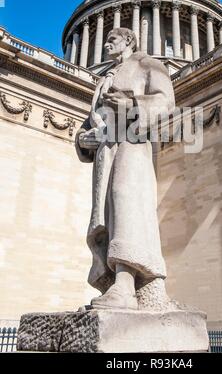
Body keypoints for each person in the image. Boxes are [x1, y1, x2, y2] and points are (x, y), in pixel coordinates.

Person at [76, 28, 175, 310]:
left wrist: (131, 105)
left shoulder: (147, 65)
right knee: (104, 215)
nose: (106, 44)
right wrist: (85, 139)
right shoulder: (105, 78)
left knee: (125, 200)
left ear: (129, 41)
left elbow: (165, 101)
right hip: (105, 150)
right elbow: (89, 124)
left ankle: (126, 284)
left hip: (132, 140)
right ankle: (110, 282)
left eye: (112, 40)